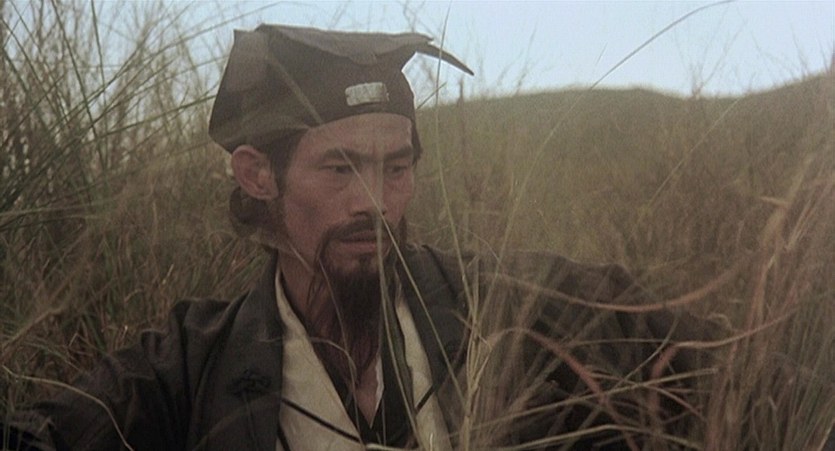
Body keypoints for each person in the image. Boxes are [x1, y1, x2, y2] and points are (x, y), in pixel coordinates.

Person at [3, 24, 708, 450]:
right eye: (340, 168)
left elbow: (717, 362)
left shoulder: (512, 304)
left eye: (396, 168)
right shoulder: (191, 367)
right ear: (258, 175)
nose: (374, 202)